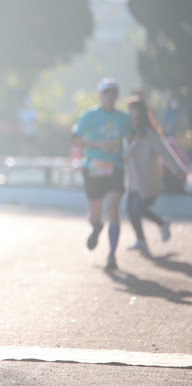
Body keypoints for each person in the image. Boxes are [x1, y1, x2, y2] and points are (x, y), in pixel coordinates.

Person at [72, 78, 132, 270]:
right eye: (106, 92)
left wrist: (127, 153)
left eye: (113, 92)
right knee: (95, 214)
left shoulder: (124, 119)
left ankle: (112, 255)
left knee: (113, 208)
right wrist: (98, 144)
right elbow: (75, 140)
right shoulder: (88, 116)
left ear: (117, 95)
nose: (110, 96)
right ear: (100, 95)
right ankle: (97, 226)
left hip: (116, 168)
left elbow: (131, 139)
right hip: (94, 168)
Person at [124, 94, 188, 256]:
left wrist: (177, 169)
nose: (130, 113)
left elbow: (164, 151)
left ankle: (159, 225)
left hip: (147, 179)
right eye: (129, 109)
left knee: (138, 209)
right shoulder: (127, 132)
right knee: (130, 209)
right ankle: (143, 238)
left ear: (141, 112)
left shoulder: (149, 133)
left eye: (134, 110)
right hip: (132, 179)